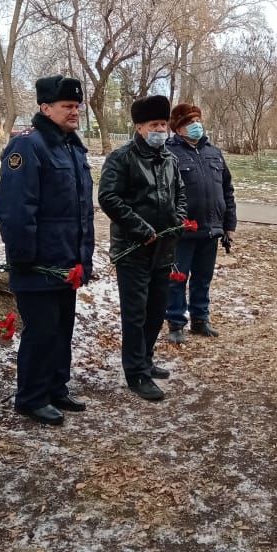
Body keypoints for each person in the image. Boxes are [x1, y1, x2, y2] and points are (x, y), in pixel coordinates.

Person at [0, 75, 95, 426]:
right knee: (40, 332)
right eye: (67, 106)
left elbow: (81, 210)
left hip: (66, 261)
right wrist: (24, 260)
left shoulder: (71, 147)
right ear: (45, 107)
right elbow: (16, 208)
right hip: (38, 263)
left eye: (76, 106)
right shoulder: (29, 146)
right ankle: (31, 396)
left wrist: (84, 257)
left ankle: (56, 386)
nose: (74, 112)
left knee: (61, 328)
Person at [98, 95, 186, 401]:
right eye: (154, 124)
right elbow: (109, 197)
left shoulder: (170, 159)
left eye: (164, 124)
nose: (160, 129)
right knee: (135, 314)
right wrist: (141, 228)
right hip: (133, 249)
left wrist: (179, 220)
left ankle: (146, 360)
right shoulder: (121, 158)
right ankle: (135, 372)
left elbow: (180, 195)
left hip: (164, 248)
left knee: (156, 310)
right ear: (139, 127)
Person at [164, 102, 237, 344]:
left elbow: (227, 189)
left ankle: (200, 319)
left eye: (197, 120)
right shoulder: (168, 153)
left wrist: (229, 224)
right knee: (177, 278)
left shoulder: (213, 152)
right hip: (183, 231)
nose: (196, 126)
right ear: (178, 129)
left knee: (203, 278)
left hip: (210, 228)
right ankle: (176, 322)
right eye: (189, 123)